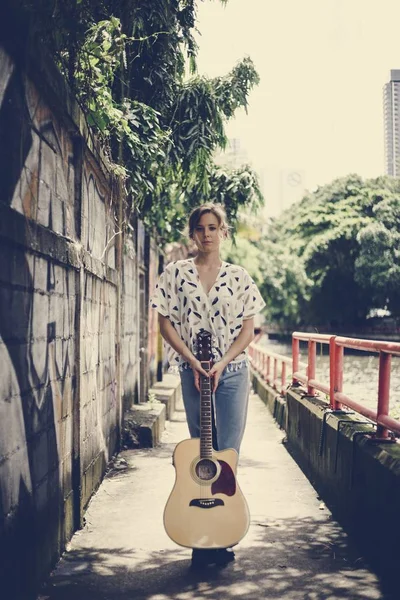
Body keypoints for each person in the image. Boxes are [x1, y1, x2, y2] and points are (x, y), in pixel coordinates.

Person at [150, 203, 265, 567]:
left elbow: (248, 329)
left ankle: (222, 532)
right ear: (192, 234)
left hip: (231, 373)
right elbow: (165, 321)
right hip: (192, 369)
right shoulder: (176, 274)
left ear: (223, 231)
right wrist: (194, 361)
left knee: (227, 453)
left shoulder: (239, 277)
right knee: (202, 451)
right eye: (200, 228)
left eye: (213, 227)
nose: (206, 234)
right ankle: (202, 539)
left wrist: (223, 363)